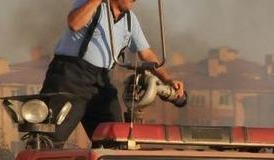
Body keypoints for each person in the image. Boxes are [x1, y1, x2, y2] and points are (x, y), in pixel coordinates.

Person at [41, 0, 185, 145]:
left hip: (101, 81)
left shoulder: (130, 20)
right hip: (70, 77)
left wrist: (168, 79)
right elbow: (74, 23)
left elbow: (146, 54)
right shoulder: (92, 5)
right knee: (51, 137)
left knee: (115, 138)